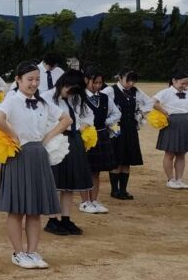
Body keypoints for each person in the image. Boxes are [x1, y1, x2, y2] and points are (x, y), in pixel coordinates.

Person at [0, 62, 70, 270]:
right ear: (18, 79)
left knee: (35, 209)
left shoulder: (43, 102)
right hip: (18, 155)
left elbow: (66, 119)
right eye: (29, 79)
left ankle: (33, 252)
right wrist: (13, 135)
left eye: (37, 79)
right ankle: (18, 253)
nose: (34, 83)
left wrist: (48, 137)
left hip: (38, 155)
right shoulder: (12, 100)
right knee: (16, 209)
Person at [44, 71, 93, 237]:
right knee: (54, 183)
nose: (70, 93)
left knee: (69, 183)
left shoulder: (76, 98)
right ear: (63, 83)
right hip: (55, 141)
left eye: (74, 91)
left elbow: (89, 115)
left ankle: (65, 218)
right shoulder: (46, 97)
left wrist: (80, 129)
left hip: (74, 139)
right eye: (69, 89)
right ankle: (52, 219)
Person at [103, 68, 153, 200]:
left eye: (133, 81)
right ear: (120, 78)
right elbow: (101, 103)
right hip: (116, 127)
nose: (131, 84)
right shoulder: (110, 90)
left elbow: (150, 102)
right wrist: (109, 119)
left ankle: (123, 190)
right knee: (117, 158)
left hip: (130, 127)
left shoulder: (136, 91)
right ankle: (115, 190)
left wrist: (140, 113)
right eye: (128, 80)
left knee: (127, 159)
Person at [80, 67, 120, 213]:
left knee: (96, 171)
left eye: (100, 83)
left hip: (101, 135)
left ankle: (94, 200)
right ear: (86, 80)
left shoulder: (105, 97)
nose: (97, 86)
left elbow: (117, 113)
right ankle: (85, 202)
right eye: (94, 82)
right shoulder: (78, 97)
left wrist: (105, 122)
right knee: (85, 170)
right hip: (84, 137)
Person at [152, 67, 188, 189]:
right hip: (172, 123)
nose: (185, 86)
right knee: (170, 153)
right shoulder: (166, 92)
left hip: (185, 123)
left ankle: (179, 180)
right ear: (174, 81)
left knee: (182, 153)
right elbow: (153, 102)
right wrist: (165, 112)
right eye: (183, 83)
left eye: (187, 83)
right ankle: (170, 180)